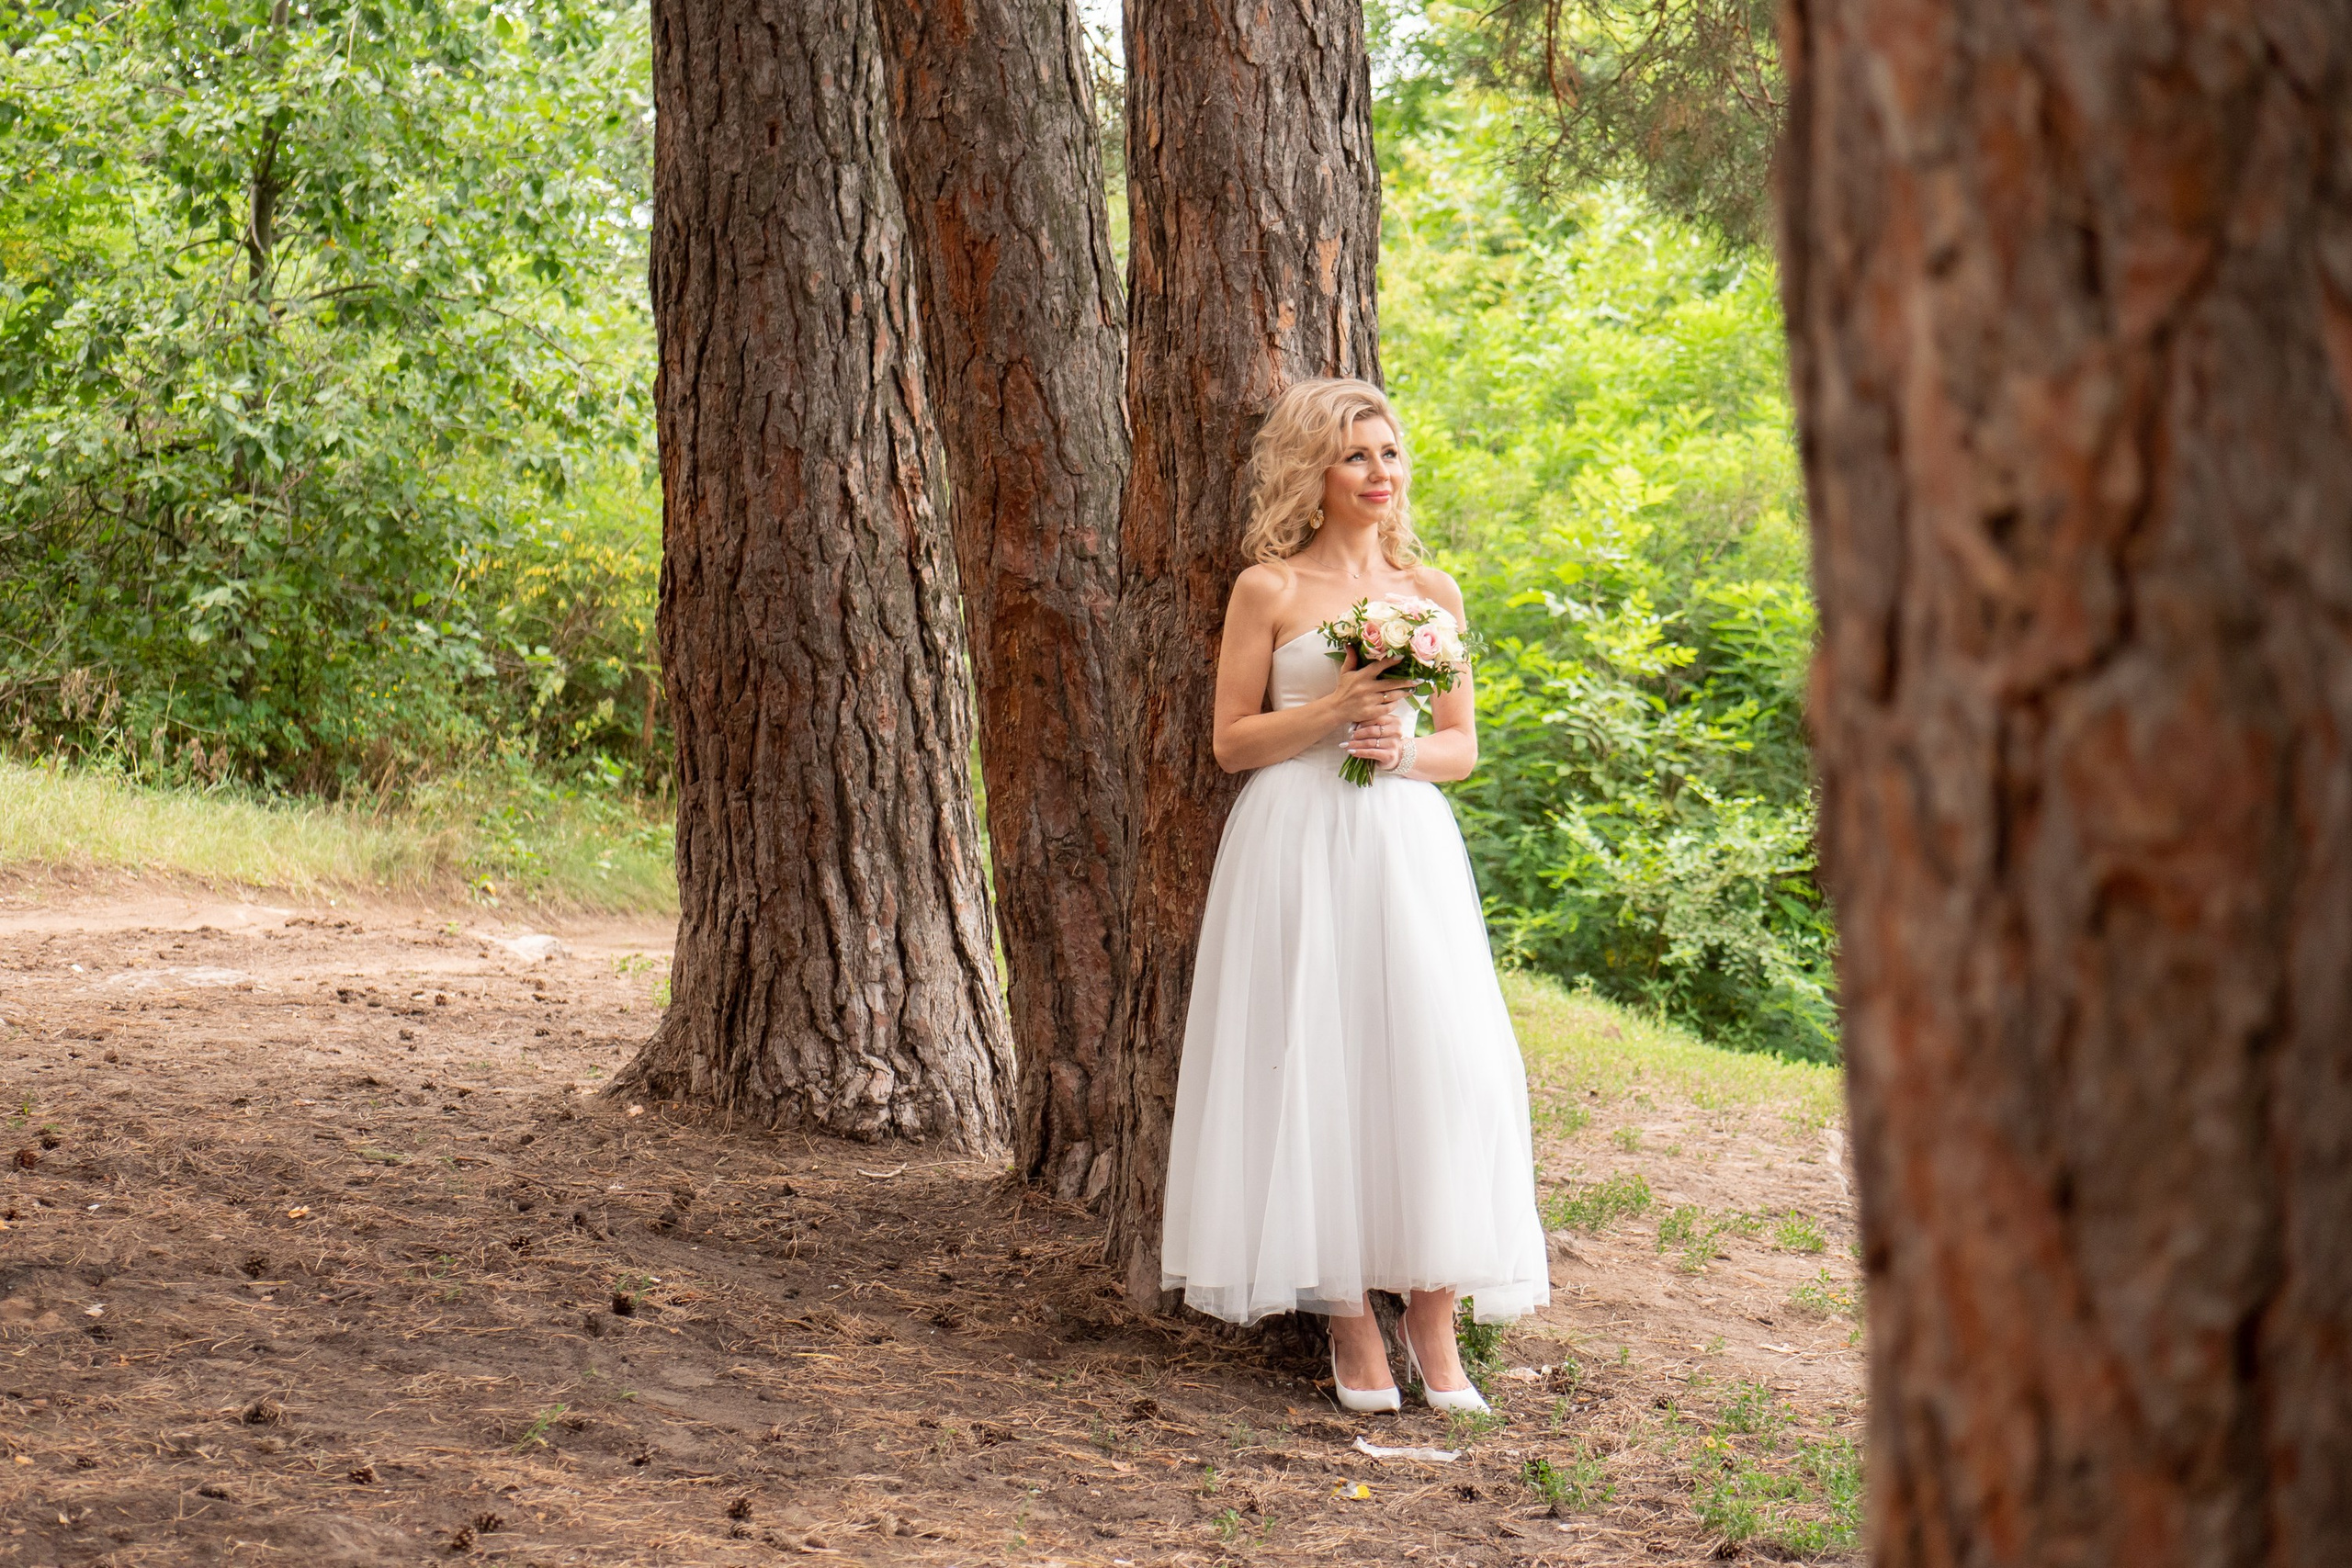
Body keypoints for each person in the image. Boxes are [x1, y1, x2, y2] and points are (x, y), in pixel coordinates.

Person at [1158, 377, 1549, 1416]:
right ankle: (1345, 1320)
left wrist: (1403, 746)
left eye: (1391, 455)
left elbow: (1462, 747)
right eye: (1357, 458)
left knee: (1435, 1058)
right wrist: (1333, 708)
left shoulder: (1434, 593)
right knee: (1311, 1057)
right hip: (1294, 838)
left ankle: (1432, 1313)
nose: (1382, 476)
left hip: (1401, 841)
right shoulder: (1268, 590)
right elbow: (1232, 741)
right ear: (1314, 474)